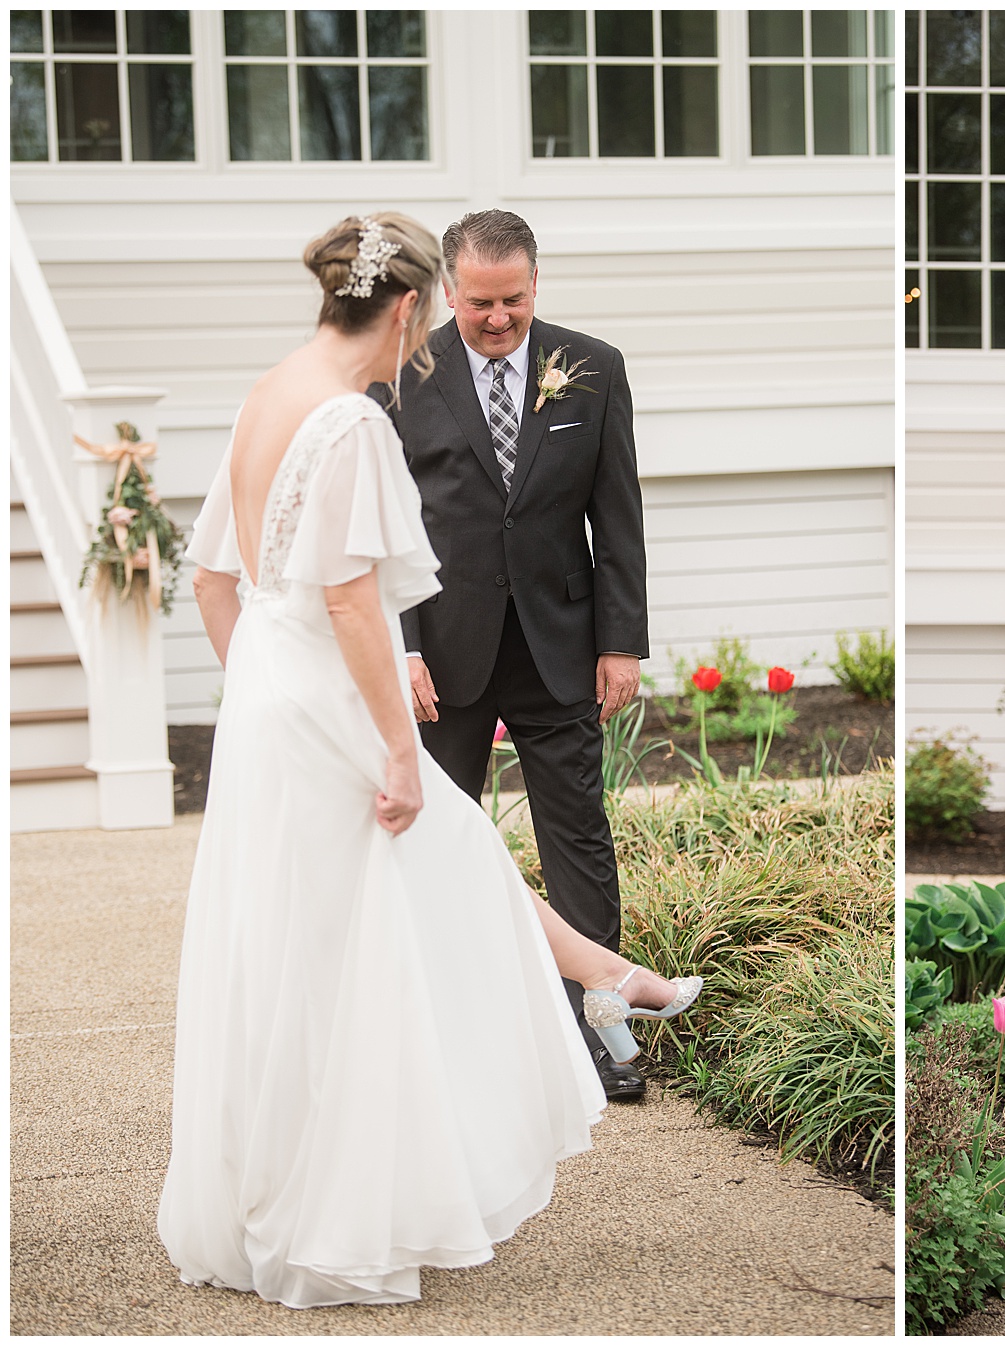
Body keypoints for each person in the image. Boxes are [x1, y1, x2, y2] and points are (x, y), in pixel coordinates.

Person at [158, 213, 700, 1309]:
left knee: (305, 939)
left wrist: (262, 682)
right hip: (345, 696)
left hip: (275, 706)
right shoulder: (356, 420)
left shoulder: (269, 391)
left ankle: (599, 983)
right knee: (410, 876)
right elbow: (356, 598)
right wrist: (396, 747)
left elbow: (214, 577)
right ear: (417, 304)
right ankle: (598, 986)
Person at [380, 209, 652, 1102]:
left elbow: (616, 518)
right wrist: (403, 648)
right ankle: (445, 1033)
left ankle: (599, 1035)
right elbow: (387, 530)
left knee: (577, 836)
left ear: (538, 282)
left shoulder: (594, 367)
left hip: (558, 646)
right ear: (448, 291)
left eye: (515, 299)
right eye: (480, 302)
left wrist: (620, 643)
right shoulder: (403, 375)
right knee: (433, 845)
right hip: (441, 656)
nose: (499, 319)